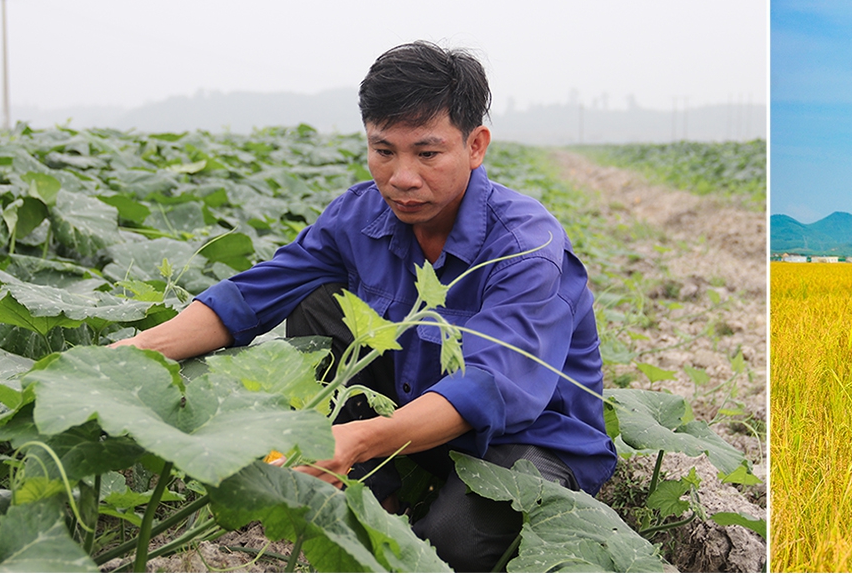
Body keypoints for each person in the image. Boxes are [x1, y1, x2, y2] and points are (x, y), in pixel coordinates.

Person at [113, 41, 615, 571]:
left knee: (452, 547)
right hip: (416, 426)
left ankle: (378, 474)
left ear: (475, 146)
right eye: (384, 150)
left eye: (427, 154)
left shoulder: (525, 244)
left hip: (531, 441)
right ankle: (380, 499)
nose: (402, 177)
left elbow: (489, 387)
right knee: (315, 303)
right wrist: (130, 355)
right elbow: (251, 296)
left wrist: (355, 440)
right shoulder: (359, 215)